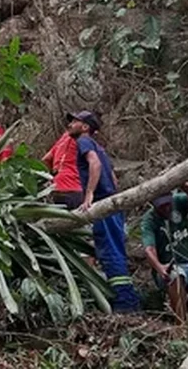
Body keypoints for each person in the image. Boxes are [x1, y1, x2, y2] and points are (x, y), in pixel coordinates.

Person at [68, 110, 141, 313]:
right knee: (116, 250)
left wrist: (90, 194)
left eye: (75, 121)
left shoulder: (84, 142)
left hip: (102, 205)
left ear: (85, 127)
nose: (70, 124)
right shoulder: (100, 148)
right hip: (112, 205)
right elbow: (113, 177)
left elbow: (95, 164)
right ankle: (130, 300)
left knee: (110, 253)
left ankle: (125, 305)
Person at [141, 182, 188, 323]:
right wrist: (160, 268)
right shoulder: (149, 220)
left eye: (167, 204)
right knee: (177, 276)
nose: (166, 208)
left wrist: (182, 182)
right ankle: (180, 324)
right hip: (169, 267)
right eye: (161, 206)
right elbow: (149, 249)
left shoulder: (178, 202)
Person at [42, 130, 82, 208]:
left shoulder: (63, 138)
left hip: (56, 188)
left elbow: (46, 159)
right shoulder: (83, 139)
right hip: (75, 188)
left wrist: (51, 176)